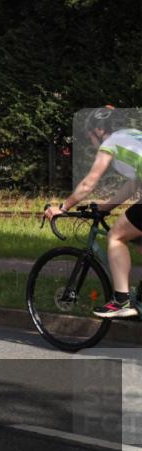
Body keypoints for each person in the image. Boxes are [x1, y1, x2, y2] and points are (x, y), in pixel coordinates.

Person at [45, 107, 141, 319]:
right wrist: (107, 207)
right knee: (137, 236)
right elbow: (133, 185)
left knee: (116, 235)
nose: (90, 142)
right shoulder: (133, 136)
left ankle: (121, 300)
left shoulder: (110, 144)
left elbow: (88, 183)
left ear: (99, 130)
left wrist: (63, 208)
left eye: (89, 136)